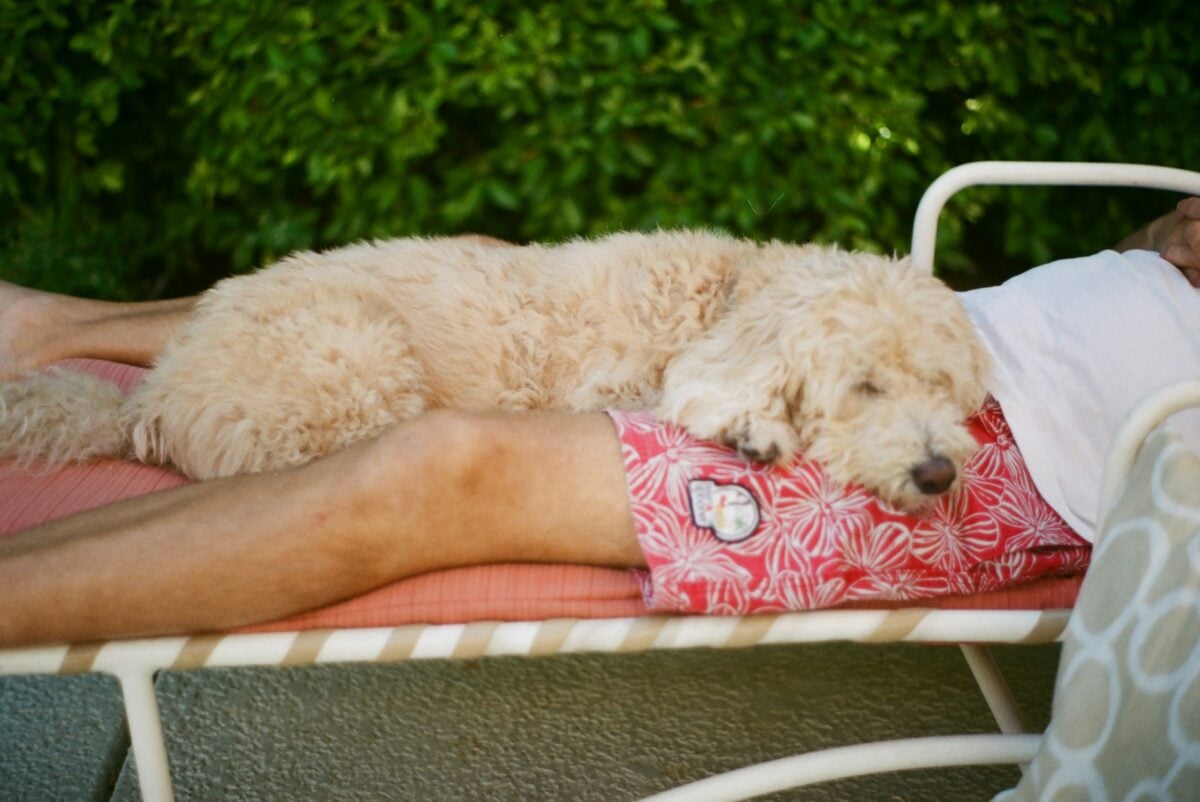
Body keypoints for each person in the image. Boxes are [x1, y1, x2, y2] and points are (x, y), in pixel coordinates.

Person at [1, 201, 1198, 648]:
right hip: (935, 330)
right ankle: (67, 327)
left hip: (1025, 466)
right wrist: (1167, 246)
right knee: (477, 265)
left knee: (441, 460)